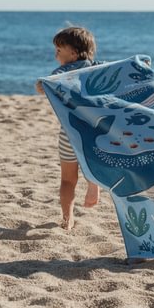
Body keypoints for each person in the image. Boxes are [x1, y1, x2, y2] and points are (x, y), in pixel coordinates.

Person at [36, 26, 102, 230]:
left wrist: (42, 84)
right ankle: (93, 184)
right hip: (93, 132)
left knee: (67, 179)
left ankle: (68, 219)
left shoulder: (62, 72)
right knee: (93, 163)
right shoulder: (98, 68)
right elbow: (120, 71)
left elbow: (42, 86)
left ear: (73, 53)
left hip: (69, 132)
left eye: (58, 50)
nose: (55, 55)